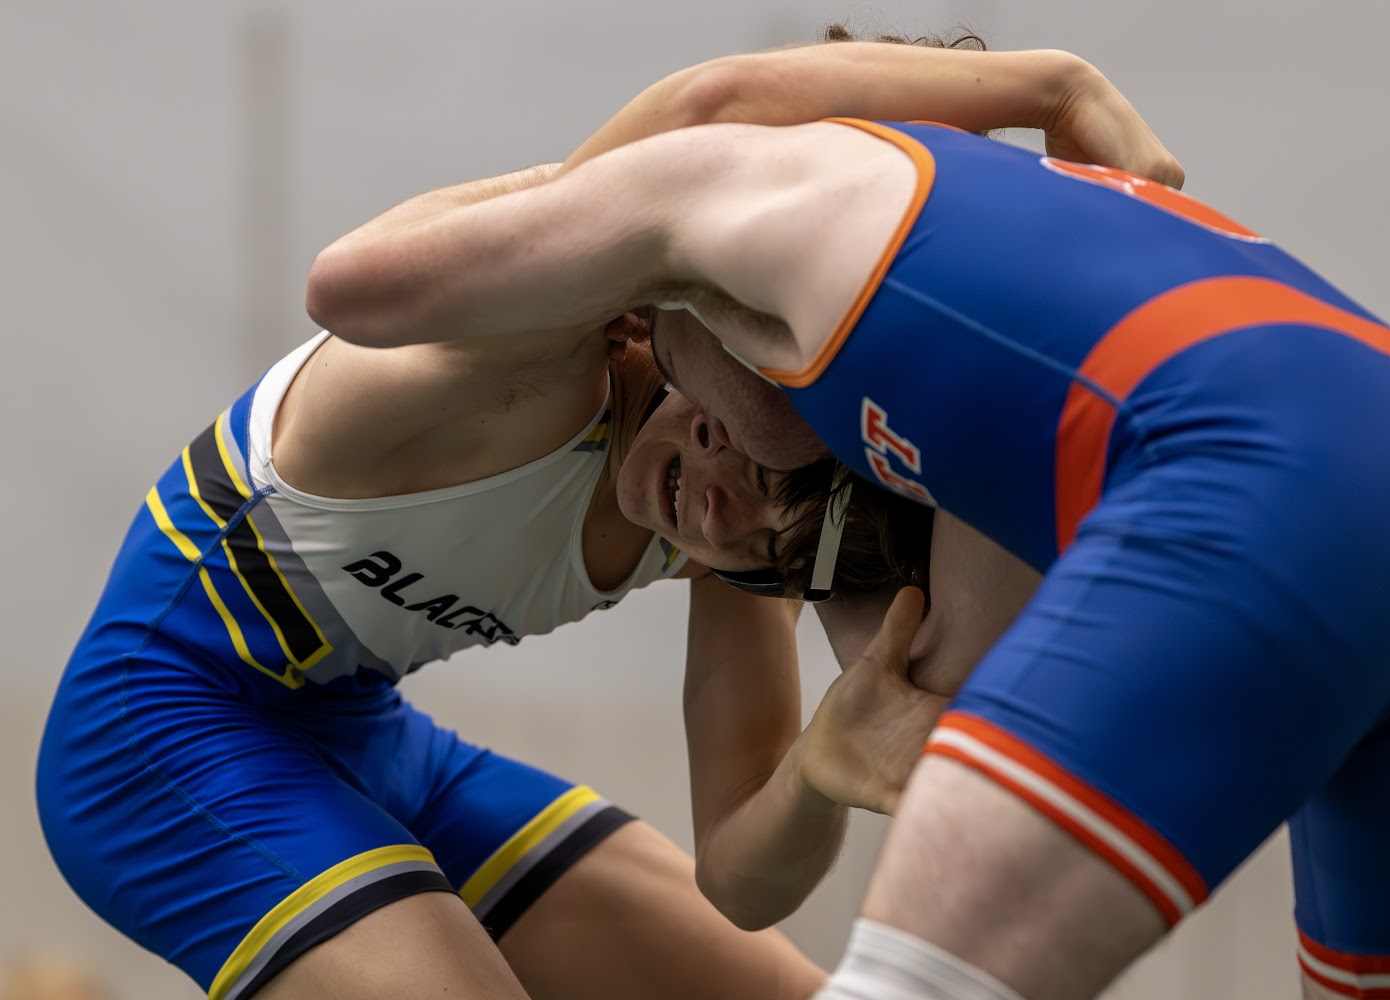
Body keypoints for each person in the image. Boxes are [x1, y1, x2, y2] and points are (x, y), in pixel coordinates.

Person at [313, 75, 1390, 1000]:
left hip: (1267, 473)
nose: (731, 484)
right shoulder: (680, 318)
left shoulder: (759, 244)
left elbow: (695, 118)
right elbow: (701, 119)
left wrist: (617, 232)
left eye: (785, 489)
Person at [39, 36, 1173, 1000]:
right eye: (735, 437)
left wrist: (819, 769)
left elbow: (740, 878)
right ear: (719, 337)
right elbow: (704, 119)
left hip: (356, 736)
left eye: (777, 526)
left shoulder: (748, 528)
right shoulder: (538, 355)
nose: (722, 503)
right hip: (151, 729)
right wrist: (1054, 88)